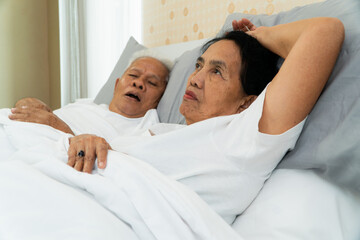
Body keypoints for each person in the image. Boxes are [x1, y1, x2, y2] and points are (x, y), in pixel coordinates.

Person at [67, 17, 344, 222]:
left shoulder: (244, 136)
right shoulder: (162, 130)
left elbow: (325, 32)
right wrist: (89, 142)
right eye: (199, 65)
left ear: (246, 103)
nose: (195, 79)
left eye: (216, 72)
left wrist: (258, 36)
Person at [8, 50, 173, 141]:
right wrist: (26, 103)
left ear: (160, 98)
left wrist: (56, 126)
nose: (138, 83)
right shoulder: (85, 106)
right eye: (133, 75)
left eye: (151, 82)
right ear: (116, 85)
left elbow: (112, 162)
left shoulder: (147, 131)